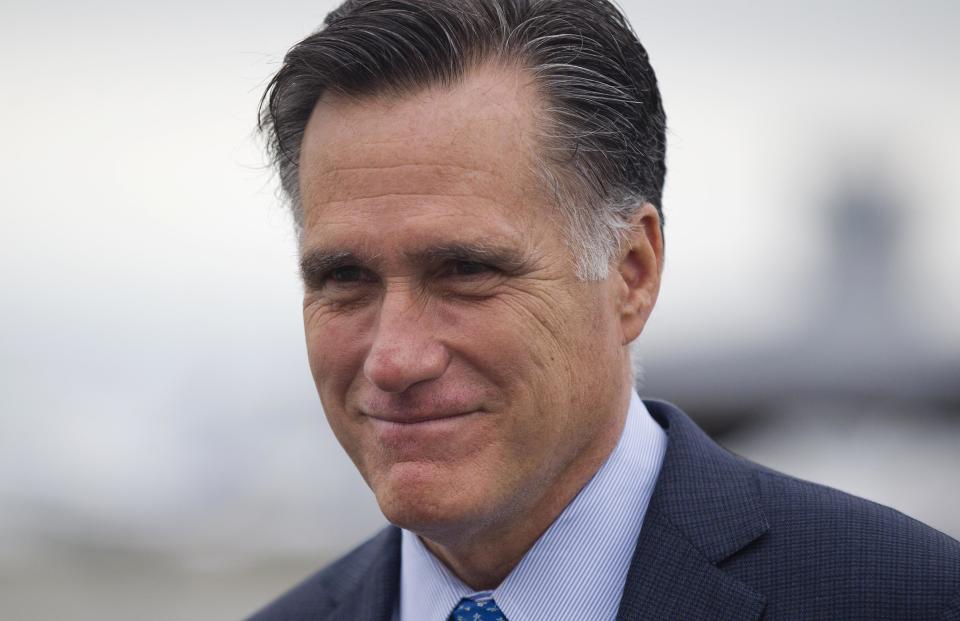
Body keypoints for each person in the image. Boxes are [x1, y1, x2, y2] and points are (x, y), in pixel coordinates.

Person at [249, 1, 960, 619]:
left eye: (466, 271)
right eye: (344, 277)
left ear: (632, 273)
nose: (394, 357)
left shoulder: (912, 598)